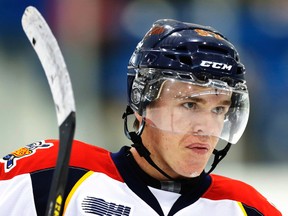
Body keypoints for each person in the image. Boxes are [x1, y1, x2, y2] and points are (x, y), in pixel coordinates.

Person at [0, 19, 282, 216]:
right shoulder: (49, 174)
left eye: (219, 109)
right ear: (142, 103)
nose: (206, 128)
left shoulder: (247, 209)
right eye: (189, 104)